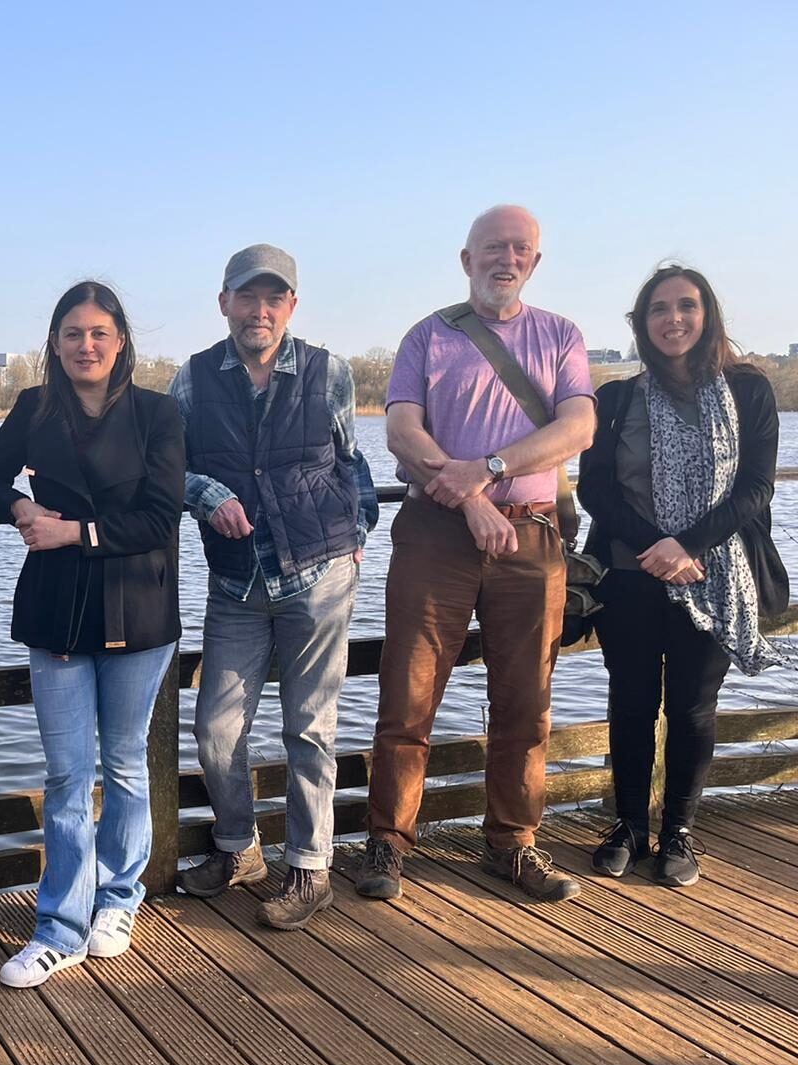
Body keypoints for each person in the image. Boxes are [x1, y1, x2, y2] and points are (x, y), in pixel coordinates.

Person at [355, 205, 597, 902]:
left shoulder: (562, 337)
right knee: (409, 693)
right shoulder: (428, 337)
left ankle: (513, 843)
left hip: (531, 537)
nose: (506, 259)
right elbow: (402, 431)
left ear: (535, 262)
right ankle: (387, 843)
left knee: (527, 699)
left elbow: (578, 425)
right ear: (467, 260)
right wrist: (469, 498)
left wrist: (487, 468)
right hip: (438, 532)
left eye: (520, 249)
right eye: (493, 248)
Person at [0, 281, 183, 988]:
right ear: (54, 344)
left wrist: (73, 531)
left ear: (121, 340)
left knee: (124, 766)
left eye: (98, 332)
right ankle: (59, 924)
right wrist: (19, 503)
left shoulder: (158, 414)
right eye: (71, 334)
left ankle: (118, 900)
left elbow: (160, 517)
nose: (85, 345)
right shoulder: (35, 408)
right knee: (66, 774)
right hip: (57, 611)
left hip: (136, 612)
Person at [171, 244, 378, 929]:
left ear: (292, 306)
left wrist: (357, 539)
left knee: (308, 729)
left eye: (274, 298)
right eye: (247, 296)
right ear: (224, 301)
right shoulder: (194, 382)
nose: (260, 310)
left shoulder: (329, 374)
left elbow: (354, 464)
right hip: (235, 583)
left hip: (318, 580)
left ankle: (311, 868)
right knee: (215, 729)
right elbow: (164, 469)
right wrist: (203, 492)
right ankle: (241, 849)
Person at [579, 265, 788, 887]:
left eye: (686, 307)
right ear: (642, 325)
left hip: (714, 572)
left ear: (707, 315)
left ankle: (679, 831)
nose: (674, 319)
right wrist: (657, 547)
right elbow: (596, 490)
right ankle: (628, 827)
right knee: (633, 701)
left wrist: (690, 545)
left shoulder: (749, 392)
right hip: (632, 573)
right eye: (659, 310)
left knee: (694, 706)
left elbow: (754, 487)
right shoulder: (617, 399)